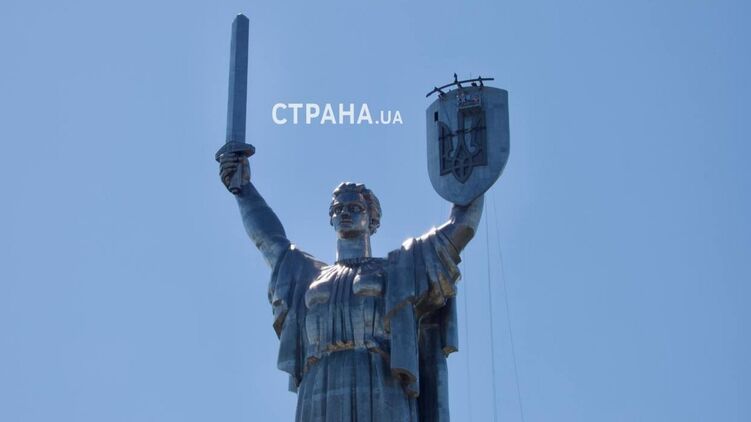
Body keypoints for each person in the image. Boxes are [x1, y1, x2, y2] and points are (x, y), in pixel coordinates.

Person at [219, 153, 483, 422]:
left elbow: (460, 228)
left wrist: (475, 172)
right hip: (318, 385)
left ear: (372, 218)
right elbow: (269, 240)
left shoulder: (398, 270)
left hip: (379, 381)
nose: (344, 213)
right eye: (337, 209)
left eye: (355, 208)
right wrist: (243, 189)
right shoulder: (307, 276)